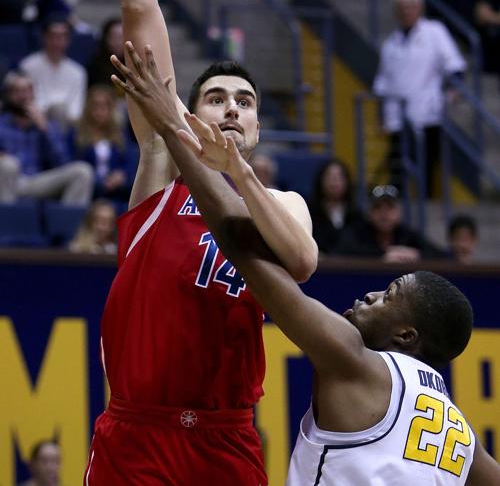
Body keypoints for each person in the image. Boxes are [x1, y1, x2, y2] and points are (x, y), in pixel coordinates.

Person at [109, 41, 500, 485]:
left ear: (406, 335)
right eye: (217, 99)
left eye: (389, 295)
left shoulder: (353, 359)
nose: (370, 294)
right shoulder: (457, 429)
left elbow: (252, 262)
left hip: (211, 435)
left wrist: (178, 131)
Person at [87, 0, 317, 486]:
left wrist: (239, 174)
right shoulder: (163, 155)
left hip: (226, 440)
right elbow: (139, 4)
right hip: (138, 431)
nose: (230, 107)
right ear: (186, 110)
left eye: (244, 100)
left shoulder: (285, 205)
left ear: (255, 121)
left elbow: (301, 264)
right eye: (214, 96)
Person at [373, 0, 466, 195]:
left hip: (427, 113)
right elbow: (382, 83)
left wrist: (453, 89)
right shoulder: (390, 44)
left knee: (426, 165)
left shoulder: (435, 31)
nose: (407, 11)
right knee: (397, 168)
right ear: (396, 11)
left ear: (420, 9)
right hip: (396, 115)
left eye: (412, 6)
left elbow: (454, 64)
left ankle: (427, 203)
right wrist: (381, 115)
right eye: (403, 7)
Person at [0, 70, 93, 205]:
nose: (23, 96)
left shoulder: (46, 124)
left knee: (82, 172)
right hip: (11, 181)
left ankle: (68, 224)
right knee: (8, 165)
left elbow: (62, 162)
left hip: (38, 180)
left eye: (27, 90)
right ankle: (6, 223)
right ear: (8, 95)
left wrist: (45, 129)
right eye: (17, 91)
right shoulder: (2, 124)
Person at [336, 184, 446, 262]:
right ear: (370, 213)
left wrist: (415, 254)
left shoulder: (406, 234)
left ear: (398, 212)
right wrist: (383, 254)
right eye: (378, 208)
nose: (384, 214)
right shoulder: (358, 232)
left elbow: (438, 254)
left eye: (390, 208)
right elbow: (341, 252)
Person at [20, 17, 87, 127]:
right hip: (34, 122)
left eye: (61, 37)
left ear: (68, 40)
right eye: (52, 37)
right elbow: (27, 102)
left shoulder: (78, 72)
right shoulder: (28, 66)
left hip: (68, 125)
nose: (56, 42)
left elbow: (76, 110)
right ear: (44, 37)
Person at [71, 85, 133, 202]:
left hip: (117, 193)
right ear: (88, 108)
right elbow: (73, 164)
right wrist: (100, 181)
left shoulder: (121, 135)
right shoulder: (76, 133)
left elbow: (129, 163)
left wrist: (121, 176)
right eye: (96, 106)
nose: (100, 111)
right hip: (89, 193)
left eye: (105, 106)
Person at [308, 158, 362, 255]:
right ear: (321, 181)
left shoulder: (356, 214)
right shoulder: (310, 211)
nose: (334, 182)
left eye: (339, 177)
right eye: (329, 177)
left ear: (347, 182)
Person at [86, 17, 124, 89]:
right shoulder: (94, 65)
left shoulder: (134, 65)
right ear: (105, 38)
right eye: (114, 37)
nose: (117, 42)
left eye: (121, 37)